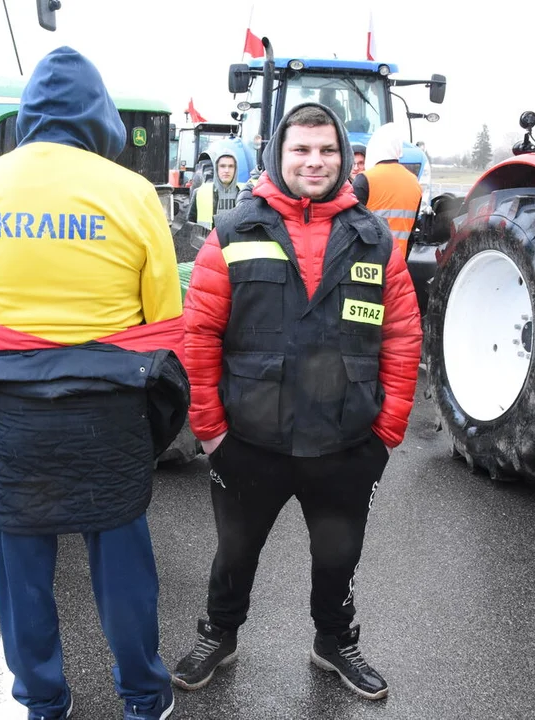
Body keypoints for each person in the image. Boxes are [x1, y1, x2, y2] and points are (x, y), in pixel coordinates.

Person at [0, 47, 187, 720]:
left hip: (10, 419)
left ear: (27, 116)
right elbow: (163, 332)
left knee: (21, 582)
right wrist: (151, 426)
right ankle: (144, 697)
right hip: (107, 417)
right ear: (98, 116)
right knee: (125, 576)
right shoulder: (132, 194)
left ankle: (44, 703)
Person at [174, 103, 422, 701]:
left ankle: (334, 642)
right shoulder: (234, 231)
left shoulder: (373, 240)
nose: (315, 161)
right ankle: (220, 634)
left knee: (340, 553)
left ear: (344, 159)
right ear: (279, 157)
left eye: (327, 150)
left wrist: (386, 432)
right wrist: (209, 430)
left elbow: (403, 334)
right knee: (235, 550)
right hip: (250, 440)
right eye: (302, 150)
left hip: (344, 441)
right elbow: (198, 334)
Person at [352, 123, 423, 259]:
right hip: (398, 261)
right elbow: (412, 231)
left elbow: (349, 226)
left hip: (369, 261)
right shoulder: (414, 182)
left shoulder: (366, 179)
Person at [188, 147, 240, 229]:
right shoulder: (200, 193)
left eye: (231, 166)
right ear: (216, 168)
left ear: (235, 169)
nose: (227, 170)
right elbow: (190, 226)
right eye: (222, 166)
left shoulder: (244, 193)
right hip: (207, 240)